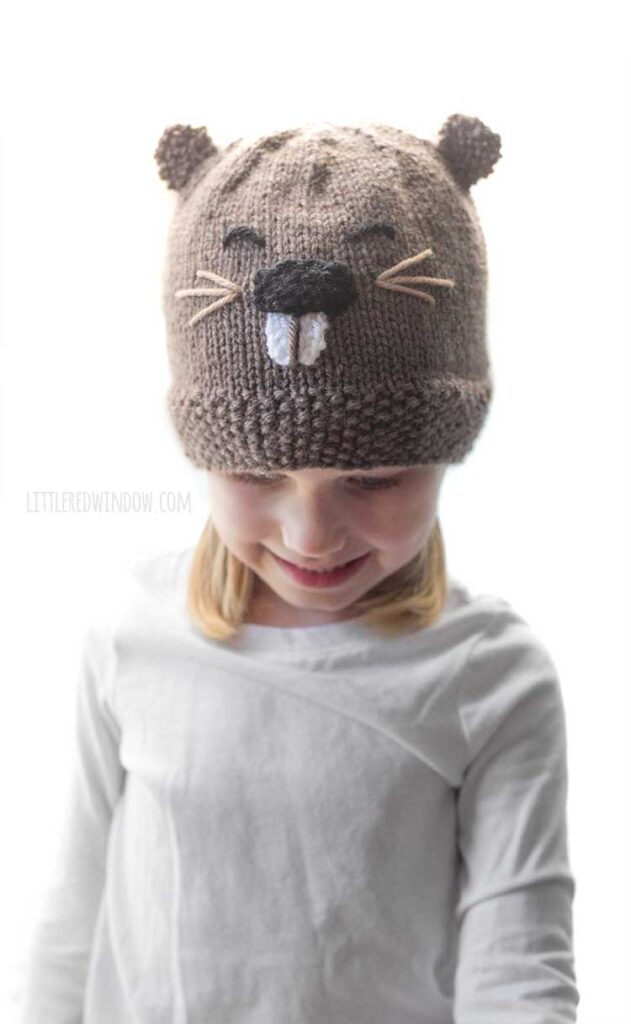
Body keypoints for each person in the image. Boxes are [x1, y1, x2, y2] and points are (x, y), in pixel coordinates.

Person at [17, 115, 580, 1023]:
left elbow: (517, 973)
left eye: (372, 478)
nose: (309, 535)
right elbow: (69, 923)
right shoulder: (132, 635)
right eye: (254, 474)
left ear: (441, 457)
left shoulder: (490, 677)